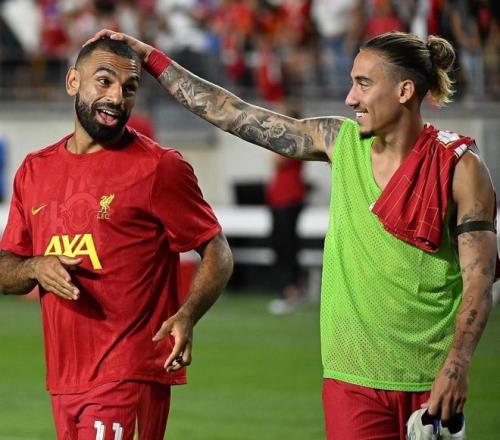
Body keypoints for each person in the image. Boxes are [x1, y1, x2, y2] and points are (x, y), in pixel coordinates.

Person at [89, 29, 499, 440]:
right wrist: (152, 58)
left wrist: (455, 368)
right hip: (351, 380)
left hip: (432, 380)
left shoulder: (460, 168)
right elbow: (232, 113)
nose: (350, 98)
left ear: (405, 90)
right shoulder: (340, 143)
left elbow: (479, 282)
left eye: (363, 84)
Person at [0, 38, 233, 440]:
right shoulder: (34, 170)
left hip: (130, 373)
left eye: (129, 88)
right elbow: (6, 269)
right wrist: (36, 267)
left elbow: (217, 249)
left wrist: (188, 314)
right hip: (65, 378)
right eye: (104, 81)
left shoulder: (160, 168)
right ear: (73, 82)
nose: (116, 97)